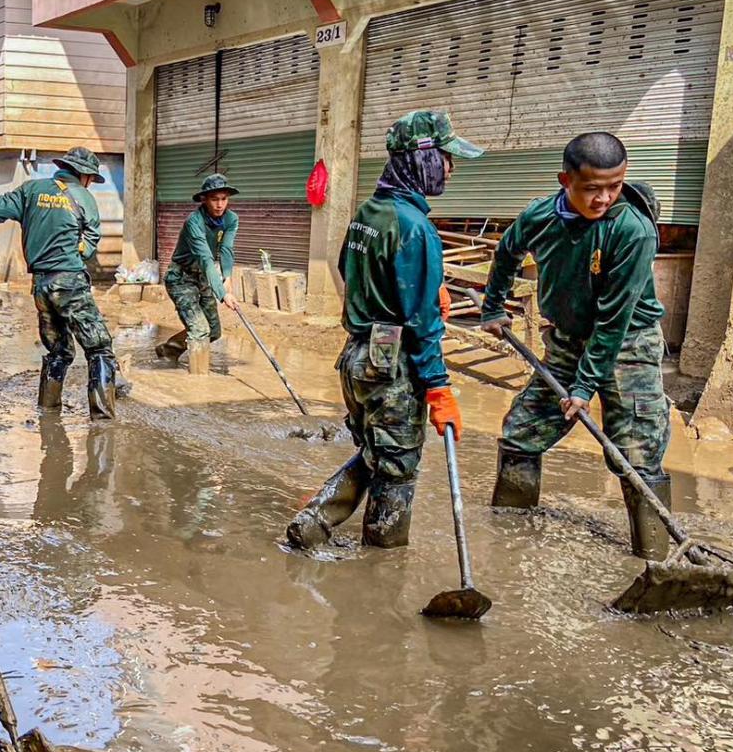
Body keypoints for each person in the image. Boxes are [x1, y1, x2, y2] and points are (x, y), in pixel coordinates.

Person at [286, 110, 482, 550]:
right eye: (447, 159)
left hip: (357, 360)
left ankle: (317, 519)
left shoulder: (368, 213)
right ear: (423, 159)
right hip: (391, 366)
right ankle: (381, 561)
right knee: (396, 467)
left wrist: (427, 288)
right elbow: (422, 325)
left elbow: (349, 270)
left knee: (379, 454)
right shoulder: (415, 227)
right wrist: (437, 387)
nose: (451, 170)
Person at [480, 133, 670, 560]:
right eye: (592, 188)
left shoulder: (633, 231)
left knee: (637, 454)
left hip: (628, 344)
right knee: (521, 435)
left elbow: (614, 320)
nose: (604, 198)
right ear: (565, 179)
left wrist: (584, 387)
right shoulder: (540, 216)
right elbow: (508, 252)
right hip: (567, 339)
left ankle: (656, 560)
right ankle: (508, 543)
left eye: (615, 186)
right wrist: (492, 306)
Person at [0, 147, 121, 419]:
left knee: (59, 350)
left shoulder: (30, 190)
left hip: (41, 286)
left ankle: (48, 412)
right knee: (99, 348)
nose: (90, 183)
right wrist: (71, 251)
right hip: (69, 281)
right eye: (91, 179)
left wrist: (31, 215)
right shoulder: (86, 199)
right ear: (84, 176)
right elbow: (88, 250)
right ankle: (104, 423)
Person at [156, 174, 240, 374]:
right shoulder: (194, 222)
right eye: (214, 199)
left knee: (213, 330)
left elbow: (226, 249)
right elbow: (205, 259)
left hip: (202, 278)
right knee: (200, 330)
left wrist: (228, 277)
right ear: (204, 199)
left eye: (223, 199)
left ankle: (168, 350)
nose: (220, 205)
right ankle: (199, 378)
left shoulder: (231, 219)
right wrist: (222, 294)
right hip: (181, 278)